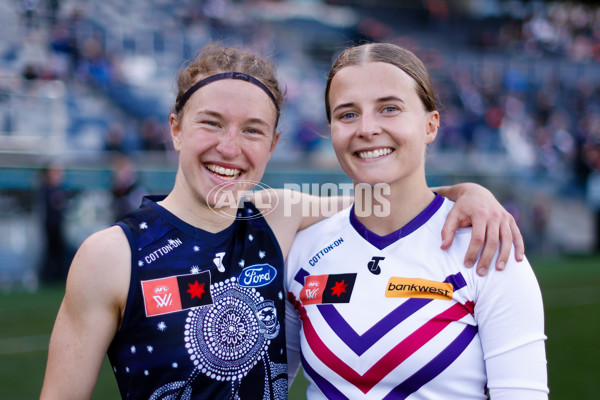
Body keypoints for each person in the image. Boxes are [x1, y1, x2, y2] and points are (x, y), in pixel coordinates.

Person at [41, 43, 524, 400]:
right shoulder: (112, 255)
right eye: (211, 122)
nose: (229, 148)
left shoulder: (280, 216)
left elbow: (393, 196)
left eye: (251, 130)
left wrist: (468, 194)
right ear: (175, 128)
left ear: (271, 146)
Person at [285, 43, 547, 399]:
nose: (366, 128)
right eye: (347, 114)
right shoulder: (301, 250)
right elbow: (265, 387)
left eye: (389, 108)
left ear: (430, 125)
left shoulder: (487, 248)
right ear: (330, 129)